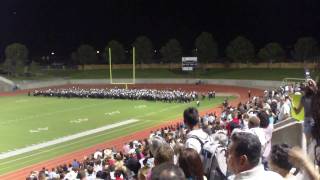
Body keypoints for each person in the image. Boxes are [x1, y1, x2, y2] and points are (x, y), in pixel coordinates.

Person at [294, 79, 317, 145]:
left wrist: (294, 108)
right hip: (312, 120)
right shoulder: (314, 96)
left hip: (309, 120)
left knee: (308, 141)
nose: (303, 90)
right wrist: (311, 81)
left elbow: (297, 112)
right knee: (312, 141)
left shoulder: (305, 98)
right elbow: (297, 111)